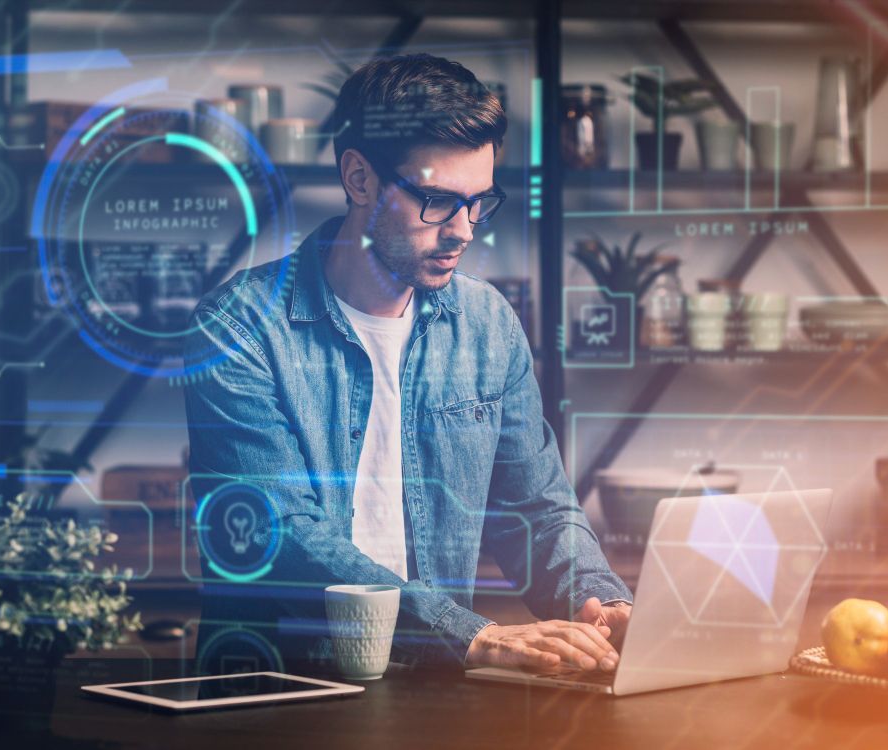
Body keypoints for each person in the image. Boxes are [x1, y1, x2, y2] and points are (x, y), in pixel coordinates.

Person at [185, 53, 631, 673]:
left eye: (479, 202)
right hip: (280, 689)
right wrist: (468, 635)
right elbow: (280, 534)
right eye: (438, 201)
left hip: (435, 686)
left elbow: (535, 507)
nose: (465, 231)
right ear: (359, 178)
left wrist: (601, 603)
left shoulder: (486, 324)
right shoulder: (237, 328)